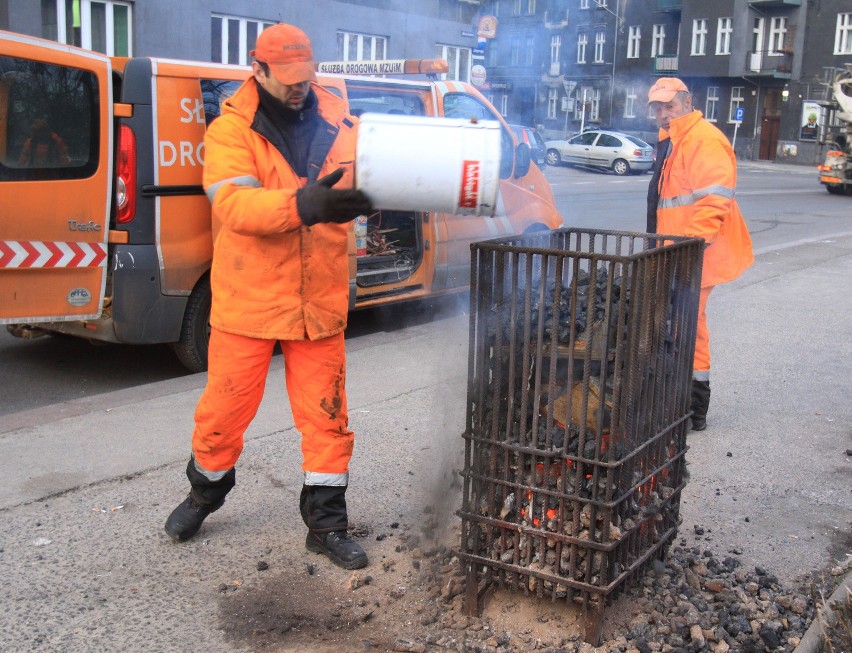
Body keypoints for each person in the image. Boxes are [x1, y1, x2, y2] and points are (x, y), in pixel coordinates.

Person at [164, 23, 374, 570]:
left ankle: (326, 526)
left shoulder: (340, 120)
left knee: (327, 417)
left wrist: (367, 198)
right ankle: (203, 495)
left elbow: (361, 182)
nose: (299, 87)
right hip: (249, 302)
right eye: (286, 79)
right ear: (257, 70)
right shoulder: (230, 129)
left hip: (318, 300)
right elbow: (235, 206)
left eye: (305, 76)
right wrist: (304, 206)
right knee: (223, 413)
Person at [646, 78, 754, 432]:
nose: (663, 114)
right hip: (680, 251)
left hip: (698, 253)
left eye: (669, 106)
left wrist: (690, 248)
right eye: (657, 108)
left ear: (687, 102)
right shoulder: (675, 140)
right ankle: (681, 401)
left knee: (688, 325)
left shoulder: (702, 138)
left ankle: (694, 407)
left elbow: (714, 199)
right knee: (682, 323)